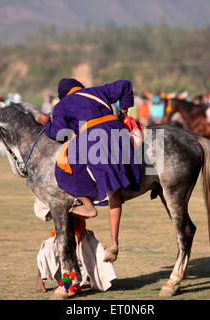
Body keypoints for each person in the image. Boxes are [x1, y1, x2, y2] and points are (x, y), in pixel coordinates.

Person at [37, 78, 142, 263]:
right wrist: (124, 111)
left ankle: (88, 206)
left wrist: (46, 123)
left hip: (94, 139)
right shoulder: (98, 91)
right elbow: (125, 84)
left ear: (63, 94)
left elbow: (59, 133)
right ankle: (113, 242)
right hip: (117, 134)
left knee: (63, 171)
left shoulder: (63, 105)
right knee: (114, 190)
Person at [35, 215, 117, 294]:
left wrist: (75, 209)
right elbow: (47, 216)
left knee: (100, 254)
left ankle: (92, 278)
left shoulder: (79, 202)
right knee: (46, 249)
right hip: (61, 237)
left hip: (81, 238)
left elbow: (91, 213)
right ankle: (42, 276)